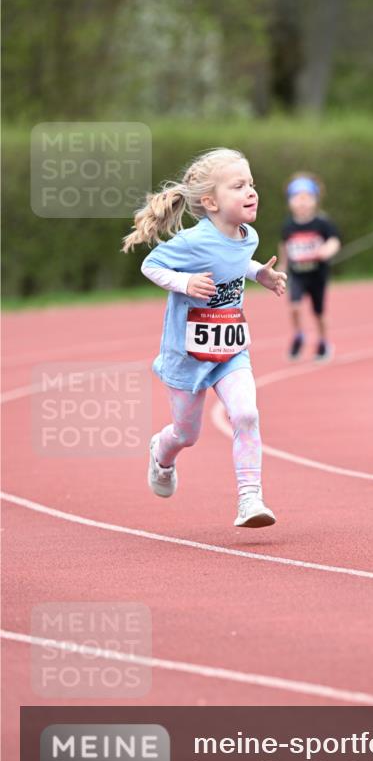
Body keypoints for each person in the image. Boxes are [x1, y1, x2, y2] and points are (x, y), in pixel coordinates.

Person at [122, 147, 286, 528]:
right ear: (211, 202)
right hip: (188, 355)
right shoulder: (193, 242)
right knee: (186, 434)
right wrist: (185, 283)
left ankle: (250, 499)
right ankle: (161, 455)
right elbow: (151, 265)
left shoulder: (248, 236)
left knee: (246, 414)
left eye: (251, 184)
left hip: (230, 350)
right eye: (238, 186)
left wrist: (258, 273)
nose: (251, 192)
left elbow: (234, 261)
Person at [278, 172, 341, 361]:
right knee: (294, 307)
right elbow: (284, 245)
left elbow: (334, 240)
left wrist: (327, 250)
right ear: (290, 202)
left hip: (317, 275)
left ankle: (323, 341)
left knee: (318, 312)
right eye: (297, 198)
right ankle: (299, 335)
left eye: (307, 198)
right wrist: (282, 265)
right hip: (297, 274)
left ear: (315, 200)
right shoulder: (288, 225)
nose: (302, 202)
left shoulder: (322, 222)